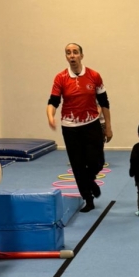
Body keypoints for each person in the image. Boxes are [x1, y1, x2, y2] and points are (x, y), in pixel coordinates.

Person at [47, 42, 111, 213]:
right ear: (66, 57)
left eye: (75, 52)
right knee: (78, 165)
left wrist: (108, 127)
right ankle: (88, 199)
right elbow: (53, 101)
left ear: (81, 55)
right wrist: (50, 116)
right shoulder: (60, 78)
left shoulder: (94, 75)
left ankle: (90, 181)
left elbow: (104, 102)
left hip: (92, 124)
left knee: (97, 161)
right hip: (70, 128)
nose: (72, 55)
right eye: (68, 53)